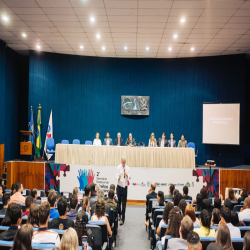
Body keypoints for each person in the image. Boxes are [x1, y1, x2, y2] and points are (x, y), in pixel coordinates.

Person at [116, 157, 131, 225]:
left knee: (124, 204)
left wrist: (127, 174)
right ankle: (119, 213)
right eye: (123, 163)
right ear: (121, 162)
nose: (124, 164)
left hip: (125, 188)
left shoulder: (127, 168)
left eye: (125, 162)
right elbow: (116, 176)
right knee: (118, 202)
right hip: (119, 187)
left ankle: (123, 219)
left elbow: (130, 176)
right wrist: (118, 177)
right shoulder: (118, 167)